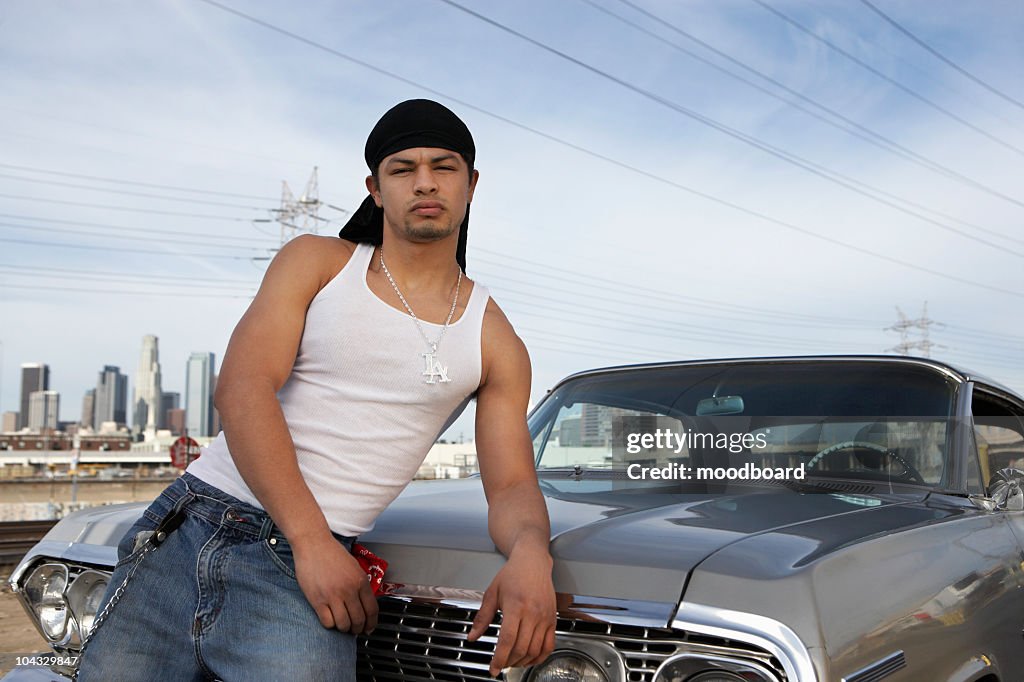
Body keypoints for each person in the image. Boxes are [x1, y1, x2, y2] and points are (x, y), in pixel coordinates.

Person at [77, 99, 557, 681]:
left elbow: (509, 485)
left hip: (307, 564)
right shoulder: (319, 263)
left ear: (471, 183)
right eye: (402, 169)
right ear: (375, 189)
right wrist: (310, 541)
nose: (424, 181)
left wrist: (533, 553)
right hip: (194, 527)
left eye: (444, 166)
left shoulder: (493, 338)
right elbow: (243, 388)